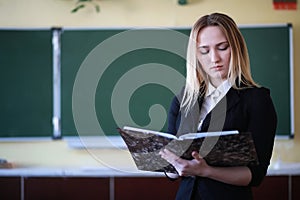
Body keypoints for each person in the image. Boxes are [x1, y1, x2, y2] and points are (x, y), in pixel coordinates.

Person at [159, 12, 277, 200]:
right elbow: (172, 172)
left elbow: (255, 175)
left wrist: (207, 171)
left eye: (222, 48)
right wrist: (174, 165)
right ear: (196, 55)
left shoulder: (257, 100)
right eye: (204, 51)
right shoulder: (183, 99)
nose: (214, 58)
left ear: (236, 48)